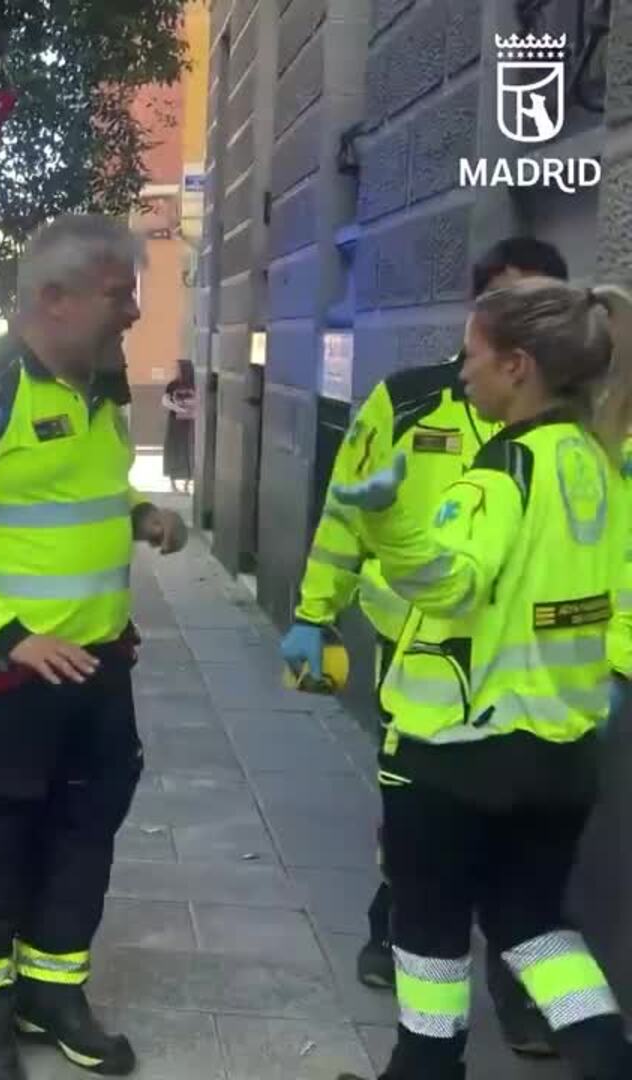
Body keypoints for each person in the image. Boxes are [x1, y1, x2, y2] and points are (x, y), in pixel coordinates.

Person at [0, 214, 188, 1080]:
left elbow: (78, 494)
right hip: (3, 679)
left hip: (98, 669)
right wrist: (12, 637)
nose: (133, 312)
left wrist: (138, 515)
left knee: (83, 838)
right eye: (119, 294)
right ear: (54, 298)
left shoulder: (100, 388)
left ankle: (53, 994)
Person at [329, 277, 632, 1080]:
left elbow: (451, 586)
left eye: (473, 356)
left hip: (456, 752)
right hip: (562, 752)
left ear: (517, 366)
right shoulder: (600, 465)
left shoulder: (500, 472)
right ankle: (608, 1058)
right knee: (535, 924)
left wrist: (390, 522)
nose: (461, 372)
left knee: (428, 930)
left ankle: (423, 1071)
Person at [280, 236, 571, 1056]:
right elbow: (349, 510)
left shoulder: (588, 427)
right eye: (508, 303)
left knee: (520, 845)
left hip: (538, 674)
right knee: (419, 829)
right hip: (421, 658)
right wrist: (314, 614)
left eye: (541, 303)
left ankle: (512, 993)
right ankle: (396, 927)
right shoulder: (410, 403)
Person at [161, 361, 197, 494]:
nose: (175, 370)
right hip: (175, 422)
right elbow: (165, 400)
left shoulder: (194, 384)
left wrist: (190, 408)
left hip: (190, 422)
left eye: (177, 368)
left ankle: (187, 482)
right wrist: (177, 408)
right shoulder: (172, 385)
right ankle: (173, 482)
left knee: (188, 449)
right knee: (174, 449)